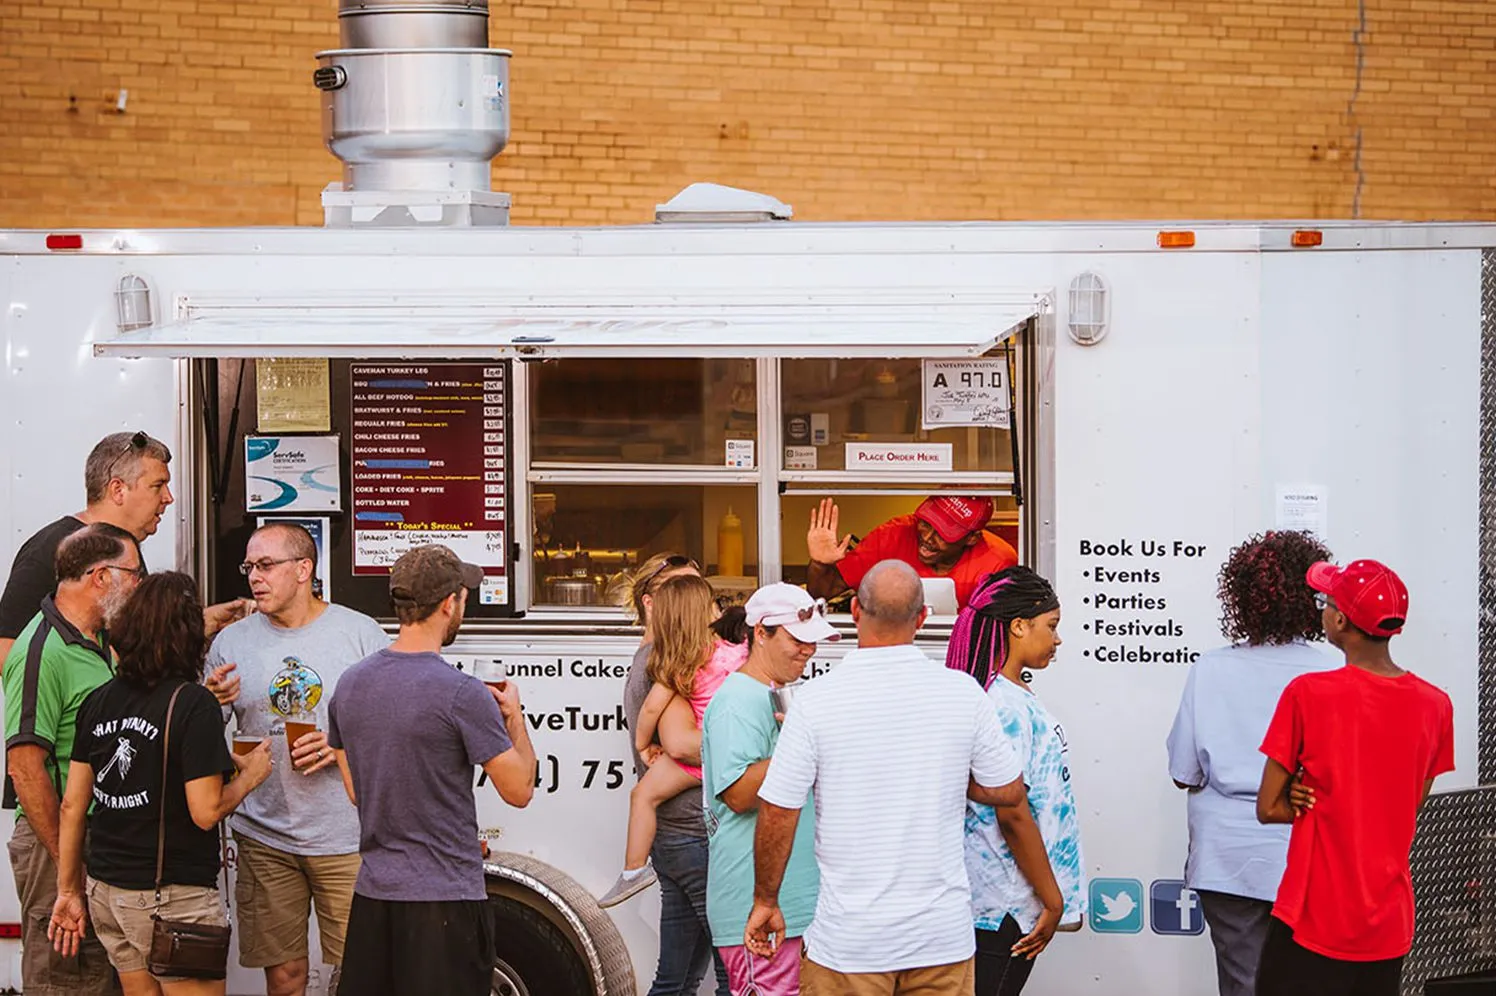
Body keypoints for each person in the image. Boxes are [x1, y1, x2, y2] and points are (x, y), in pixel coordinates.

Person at [748, 560, 1037, 996]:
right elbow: (1007, 790)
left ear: (856, 614)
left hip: (849, 946)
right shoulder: (963, 694)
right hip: (941, 943)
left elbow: (778, 811)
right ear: (923, 618)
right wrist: (947, 773)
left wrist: (766, 901)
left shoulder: (814, 702)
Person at [48, 572, 273, 996]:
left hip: (106, 891)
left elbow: (73, 806)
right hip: (170, 897)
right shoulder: (194, 703)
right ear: (188, 634)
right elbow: (205, 811)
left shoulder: (100, 698)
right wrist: (251, 778)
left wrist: (68, 891)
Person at [328, 544, 536, 996]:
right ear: (449, 603)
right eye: (464, 597)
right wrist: (515, 720)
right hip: (445, 900)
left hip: (374, 898)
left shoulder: (350, 684)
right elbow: (519, 789)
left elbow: (356, 791)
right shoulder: (461, 693)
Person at [1254, 559, 1455, 996]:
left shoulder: (1307, 695)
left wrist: (1299, 796)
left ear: (1341, 620)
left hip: (1312, 917)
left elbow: (1268, 808)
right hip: (1387, 923)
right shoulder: (1436, 706)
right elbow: (1409, 802)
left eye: (1325, 602)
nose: (1321, 610)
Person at [203, 523, 388, 996]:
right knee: (284, 979)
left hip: (345, 836)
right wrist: (208, 701)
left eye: (266, 565)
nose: (254, 578)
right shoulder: (232, 642)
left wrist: (338, 746)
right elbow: (200, 736)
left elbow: (392, 730)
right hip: (265, 835)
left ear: (304, 569)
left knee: (361, 974)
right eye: (250, 567)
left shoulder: (359, 634)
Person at [1164, 531, 1337, 996]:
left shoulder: (1211, 668)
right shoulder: (1331, 673)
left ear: (1241, 596)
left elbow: (1184, 771)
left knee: (1244, 985)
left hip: (1228, 858)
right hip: (1308, 855)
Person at [3, 523, 143, 996]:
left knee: (100, 975)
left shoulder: (101, 640)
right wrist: (68, 869)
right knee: (64, 978)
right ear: (101, 577)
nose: (139, 586)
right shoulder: (42, 651)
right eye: (135, 575)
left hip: (94, 838)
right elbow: (24, 768)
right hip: (55, 844)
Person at [0, 431, 250, 666]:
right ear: (118, 490)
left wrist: (201, 623)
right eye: (158, 485)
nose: (168, 497)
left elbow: (135, 641)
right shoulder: (50, 549)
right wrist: (85, 688)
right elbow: (6, 648)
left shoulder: (126, 550)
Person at [947, 567, 1081, 996]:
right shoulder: (1000, 705)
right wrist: (1053, 899)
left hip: (1002, 902)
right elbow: (1013, 813)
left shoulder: (1003, 695)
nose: (1057, 639)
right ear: (1019, 626)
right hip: (1003, 904)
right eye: (1052, 626)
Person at [702, 583, 836, 996]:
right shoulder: (738, 699)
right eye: (798, 640)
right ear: (760, 633)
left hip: (789, 903)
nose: (808, 651)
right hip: (754, 904)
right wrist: (801, 744)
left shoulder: (771, 695)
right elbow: (739, 795)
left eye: (814, 642)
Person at [615, 553, 731, 996]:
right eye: (682, 593)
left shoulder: (664, 659)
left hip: (674, 835)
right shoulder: (661, 663)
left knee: (677, 978)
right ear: (652, 603)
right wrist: (749, 753)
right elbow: (682, 745)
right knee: (733, 973)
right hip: (691, 835)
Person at [599, 573, 747, 908]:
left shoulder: (681, 665)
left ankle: (634, 871)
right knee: (685, 950)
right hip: (726, 761)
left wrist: (641, 745)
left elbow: (651, 711)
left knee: (643, 795)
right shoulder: (734, 654)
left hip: (696, 769)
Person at [804, 496, 1017, 609]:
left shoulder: (997, 561)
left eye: (943, 533)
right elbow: (822, 593)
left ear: (972, 538)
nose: (927, 537)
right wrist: (820, 564)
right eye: (926, 523)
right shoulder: (894, 534)